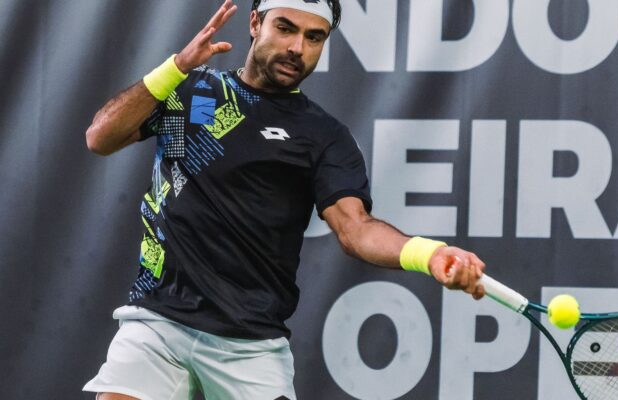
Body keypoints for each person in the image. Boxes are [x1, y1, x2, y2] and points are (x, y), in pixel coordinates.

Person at [83, 1, 486, 399]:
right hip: (158, 324)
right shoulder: (188, 93)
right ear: (255, 23)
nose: (298, 47)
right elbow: (100, 137)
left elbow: (355, 230)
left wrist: (430, 254)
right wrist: (177, 68)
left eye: (315, 38)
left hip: (248, 342)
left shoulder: (323, 136)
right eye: (286, 28)